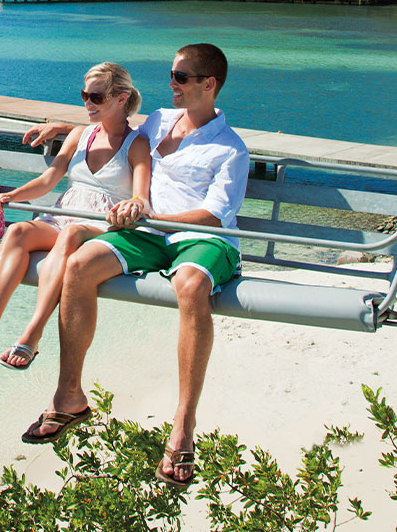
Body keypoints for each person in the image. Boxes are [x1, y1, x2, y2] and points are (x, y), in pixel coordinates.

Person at [19, 43, 249, 489]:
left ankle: (183, 424)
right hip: (147, 234)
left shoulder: (230, 149)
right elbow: (118, 129)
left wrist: (147, 213)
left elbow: (216, 215)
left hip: (202, 238)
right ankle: (69, 397)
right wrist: (63, 128)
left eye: (181, 77)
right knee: (80, 264)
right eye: (172, 75)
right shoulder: (161, 119)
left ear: (209, 84)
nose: (171, 84)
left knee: (190, 285)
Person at [0, 62, 151, 371]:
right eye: (84, 95)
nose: (87, 103)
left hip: (104, 228)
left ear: (121, 99)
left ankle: (33, 333)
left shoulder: (136, 144)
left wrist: (136, 205)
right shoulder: (79, 136)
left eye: (96, 97)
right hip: (64, 217)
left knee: (72, 236)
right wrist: (11, 196)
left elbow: (142, 195)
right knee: (18, 231)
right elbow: (48, 180)